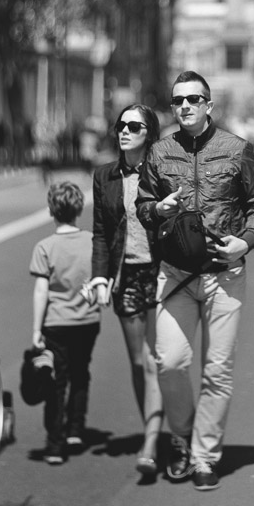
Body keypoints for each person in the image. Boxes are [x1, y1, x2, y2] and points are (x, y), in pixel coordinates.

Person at [136, 71, 254, 491]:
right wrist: (158, 209)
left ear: (209, 105)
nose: (185, 107)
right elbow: (143, 207)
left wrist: (246, 243)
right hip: (175, 273)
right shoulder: (159, 153)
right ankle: (181, 436)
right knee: (171, 361)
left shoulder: (236, 149)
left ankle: (204, 456)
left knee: (217, 371)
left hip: (223, 275)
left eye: (194, 99)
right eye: (178, 101)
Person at [87, 105, 164, 479]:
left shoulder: (162, 171)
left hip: (163, 272)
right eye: (120, 125)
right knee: (138, 362)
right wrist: (99, 277)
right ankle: (153, 426)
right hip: (127, 274)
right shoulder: (105, 176)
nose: (124, 131)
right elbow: (101, 232)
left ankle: (152, 441)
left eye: (134, 126)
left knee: (157, 361)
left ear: (149, 133)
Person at [30, 181, 101, 465]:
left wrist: (36, 329)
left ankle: (54, 443)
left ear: (51, 210)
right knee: (80, 372)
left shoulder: (44, 247)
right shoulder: (93, 241)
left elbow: (41, 291)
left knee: (56, 381)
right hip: (87, 319)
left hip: (56, 323)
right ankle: (76, 429)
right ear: (79, 209)